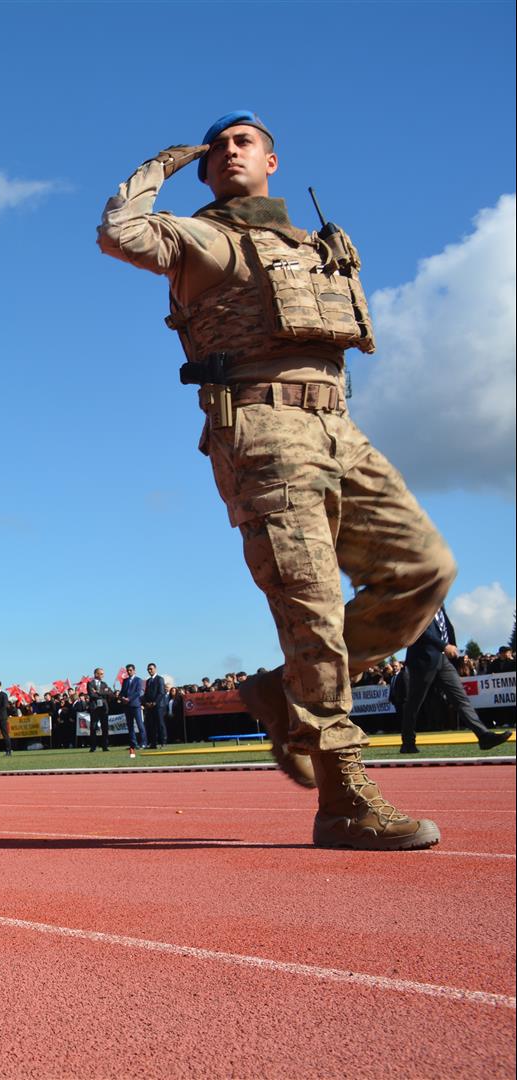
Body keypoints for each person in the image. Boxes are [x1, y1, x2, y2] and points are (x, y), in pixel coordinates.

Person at [98, 110, 456, 849]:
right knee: (312, 606)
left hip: (339, 427)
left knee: (423, 571)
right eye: (218, 148)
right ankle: (343, 798)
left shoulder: (315, 246)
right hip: (262, 430)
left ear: (272, 160)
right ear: (205, 169)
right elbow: (119, 232)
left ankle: (281, 693)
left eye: (244, 142)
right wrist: (164, 163)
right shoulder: (202, 240)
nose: (230, 152)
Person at [398, 607, 512, 754]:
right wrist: (444, 645)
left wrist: (453, 647)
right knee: (414, 703)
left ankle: (484, 736)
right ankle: (408, 742)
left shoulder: (440, 605)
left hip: (442, 660)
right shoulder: (421, 602)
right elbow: (418, 630)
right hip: (422, 661)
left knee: (460, 698)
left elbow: (446, 627)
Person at [120, 663, 146, 757]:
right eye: (128, 670)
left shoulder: (138, 680)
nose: (129, 672)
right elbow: (123, 691)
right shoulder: (125, 680)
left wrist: (129, 698)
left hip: (135, 705)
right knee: (130, 726)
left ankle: (143, 743)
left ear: (134, 670)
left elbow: (138, 692)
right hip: (127, 706)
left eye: (131, 670)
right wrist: (122, 697)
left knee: (140, 724)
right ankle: (133, 744)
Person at [85, 668, 112, 753]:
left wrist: (98, 692)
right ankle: (93, 747)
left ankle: (105, 746)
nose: (102, 675)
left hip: (104, 708)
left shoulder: (104, 684)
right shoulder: (90, 683)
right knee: (93, 727)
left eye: (103, 673)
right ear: (96, 674)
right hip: (95, 707)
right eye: (101, 673)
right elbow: (91, 694)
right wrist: (102, 693)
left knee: (105, 727)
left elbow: (110, 693)